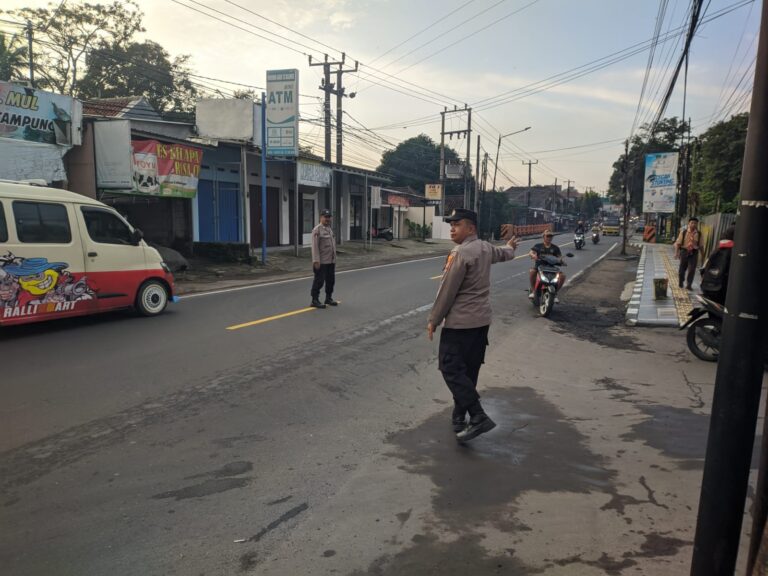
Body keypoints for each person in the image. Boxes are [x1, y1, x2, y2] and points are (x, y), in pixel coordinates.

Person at [426, 208, 519, 442]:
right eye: (451, 225)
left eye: (457, 225)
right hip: (481, 323)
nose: (452, 229)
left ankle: (477, 416)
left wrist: (434, 320)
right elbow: (505, 253)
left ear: (471, 228)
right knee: (468, 370)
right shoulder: (486, 248)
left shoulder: (461, 253)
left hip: (460, 324)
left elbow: (447, 291)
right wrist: (511, 245)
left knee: (450, 368)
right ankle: (459, 416)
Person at [700, 223, 735, 304]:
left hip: (707, 288)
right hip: (721, 290)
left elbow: (703, 269)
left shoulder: (716, 250)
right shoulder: (733, 254)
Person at [310, 209, 337, 309]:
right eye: (325, 217)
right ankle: (314, 299)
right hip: (321, 262)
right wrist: (316, 261)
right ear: (321, 217)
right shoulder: (317, 230)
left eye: (329, 217)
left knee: (331, 281)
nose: (327, 219)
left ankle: (328, 298)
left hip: (331, 261)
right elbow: (314, 247)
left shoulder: (329, 229)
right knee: (319, 281)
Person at [529, 230, 565, 299]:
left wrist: (561, 261)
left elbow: (559, 257)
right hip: (540, 266)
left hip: (552, 268)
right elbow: (531, 252)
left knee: (562, 276)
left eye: (551, 236)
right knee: (532, 272)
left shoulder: (555, 248)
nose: (549, 237)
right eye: (548, 236)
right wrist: (533, 255)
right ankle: (534, 291)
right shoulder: (538, 246)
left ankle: (555, 293)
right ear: (543, 237)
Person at [674, 217, 700, 290]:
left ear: (697, 224)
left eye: (695, 223)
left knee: (692, 269)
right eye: (692, 223)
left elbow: (701, 246)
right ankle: (681, 281)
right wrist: (676, 253)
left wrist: (703, 255)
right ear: (689, 223)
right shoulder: (683, 232)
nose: (693, 224)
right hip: (684, 251)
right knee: (682, 269)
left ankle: (689, 284)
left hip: (694, 252)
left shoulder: (699, 234)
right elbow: (678, 243)